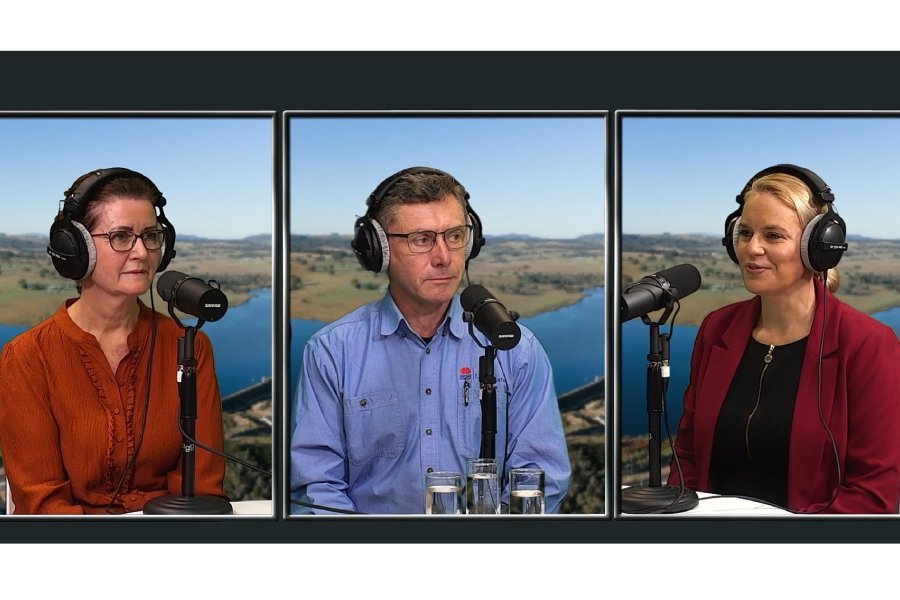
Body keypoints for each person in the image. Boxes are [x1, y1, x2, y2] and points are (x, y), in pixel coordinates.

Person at [290, 166, 571, 514]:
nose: (444, 257)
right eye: (422, 239)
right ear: (379, 249)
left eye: (455, 236)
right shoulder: (331, 352)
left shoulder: (517, 350)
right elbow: (317, 489)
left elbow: (538, 477)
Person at [668, 164, 900, 514]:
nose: (752, 248)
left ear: (817, 246)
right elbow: (687, 454)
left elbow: (872, 495)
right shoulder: (717, 329)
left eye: (773, 236)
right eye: (745, 232)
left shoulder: (868, 345)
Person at [0, 168, 226, 514]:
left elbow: (202, 491)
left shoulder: (190, 347)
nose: (142, 252)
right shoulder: (26, 358)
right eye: (121, 236)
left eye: (151, 235)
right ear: (75, 248)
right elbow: (42, 506)